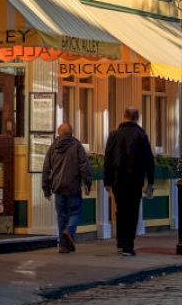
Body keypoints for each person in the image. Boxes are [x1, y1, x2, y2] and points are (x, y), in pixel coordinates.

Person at [104, 107, 155, 257]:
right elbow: (148, 159)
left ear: (124, 116)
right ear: (136, 118)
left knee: (120, 211)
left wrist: (107, 181)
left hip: (118, 179)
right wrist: (150, 181)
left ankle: (120, 243)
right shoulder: (141, 135)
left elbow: (108, 158)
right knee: (132, 212)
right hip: (135, 179)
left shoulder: (114, 134)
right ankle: (128, 246)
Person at [41, 122, 93, 252]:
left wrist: (46, 189)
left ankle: (63, 246)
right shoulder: (77, 145)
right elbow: (84, 166)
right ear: (71, 133)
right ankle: (69, 230)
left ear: (59, 133)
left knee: (61, 216)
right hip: (73, 186)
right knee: (75, 212)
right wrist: (87, 182)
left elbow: (46, 169)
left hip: (58, 187)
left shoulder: (53, 147)